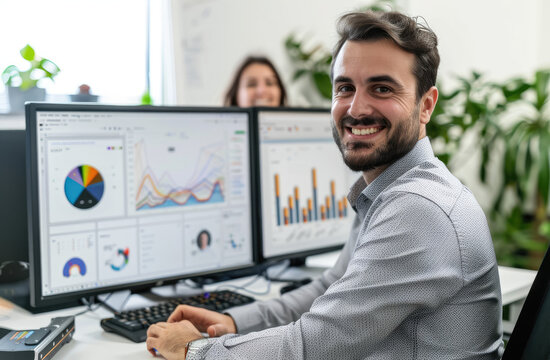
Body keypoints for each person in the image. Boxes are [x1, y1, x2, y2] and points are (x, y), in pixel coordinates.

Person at [146, 10, 503, 359]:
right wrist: (234, 320)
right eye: (345, 88)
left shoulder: (418, 207)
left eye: (381, 88)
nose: (356, 108)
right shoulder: (388, 190)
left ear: (425, 105)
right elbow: (329, 285)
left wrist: (194, 350)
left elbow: (313, 346)